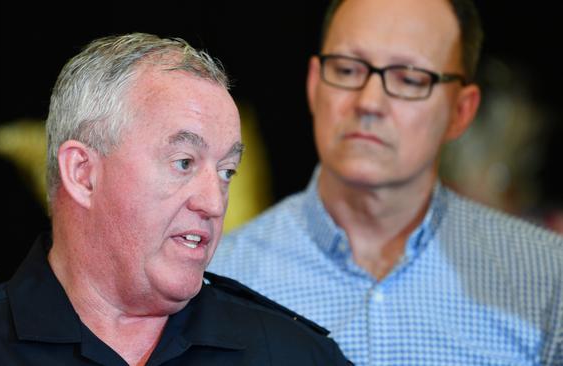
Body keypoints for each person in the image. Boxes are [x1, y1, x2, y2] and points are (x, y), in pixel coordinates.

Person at [0, 33, 352, 366]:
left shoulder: (293, 354)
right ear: (83, 173)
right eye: (183, 162)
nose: (214, 203)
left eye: (226, 172)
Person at [209, 0, 563, 365]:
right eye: (347, 70)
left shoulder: (546, 279)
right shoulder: (216, 277)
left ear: (461, 110)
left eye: (409, 79)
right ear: (314, 84)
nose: (370, 102)